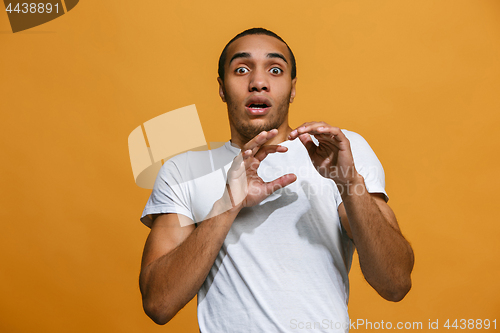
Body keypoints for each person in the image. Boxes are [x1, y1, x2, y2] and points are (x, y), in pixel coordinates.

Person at [138, 28, 414, 332]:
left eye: (275, 70)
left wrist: (348, 183)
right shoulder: (183, 170)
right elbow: (158, 304)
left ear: (292, 88)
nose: (258, 82)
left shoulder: (340, 152)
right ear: (221, 87)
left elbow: (395, 283)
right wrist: (227, 205)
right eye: (241, 70)